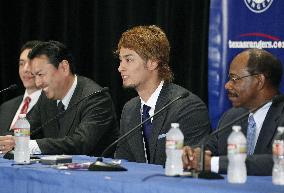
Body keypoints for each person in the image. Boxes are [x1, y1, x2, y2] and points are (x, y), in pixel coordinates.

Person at [1, 40, 119, 156]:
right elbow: (27, 128)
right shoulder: (45, 98)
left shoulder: (96, 97)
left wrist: (25, 145)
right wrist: (6, 141)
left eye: (41, 74)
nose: (37, 83)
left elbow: (80, 143)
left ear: (64, 67)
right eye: (35, 76)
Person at [115, 25, 211, 165]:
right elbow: (123, 161)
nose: (120, 67)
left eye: (128, 60)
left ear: (153, 63)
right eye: (120, 60)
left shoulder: (188, 107)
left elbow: (191, 164)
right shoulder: (129, 109)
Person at [182, 48, 284, 175]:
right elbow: (207, 147)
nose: (227, 85)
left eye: (235, 79)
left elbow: (278, 161)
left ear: (259, 81)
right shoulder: (231, 117)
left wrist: (214, 164)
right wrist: (191, 154)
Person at [0, 40, 42, 153]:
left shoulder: (53, 105)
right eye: (21, 63)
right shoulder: (6, 107)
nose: (25, 69)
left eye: (31, 63)